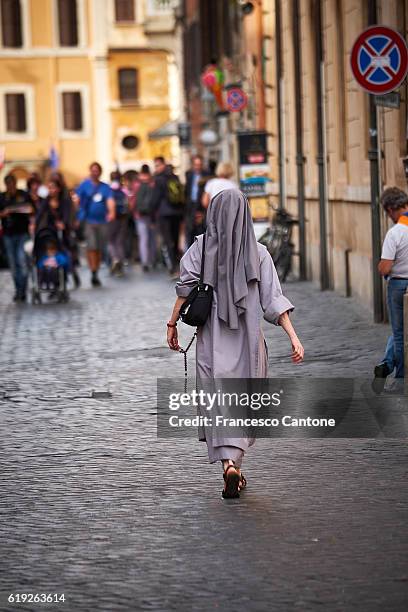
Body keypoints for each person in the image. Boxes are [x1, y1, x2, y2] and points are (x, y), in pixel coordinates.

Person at [166, 189, 304, 499]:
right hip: (248, 341)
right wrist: (294, 337)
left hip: (212, 341)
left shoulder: (199, 249)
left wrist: (172, 324)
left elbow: (184, 290)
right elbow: (274, 302)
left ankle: (229, 465)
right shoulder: (260, 253)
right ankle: (234, 466)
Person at [374, 187, 408, 383]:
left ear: (390, 209)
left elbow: (385, 267)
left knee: (398, 333)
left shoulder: (395, 233)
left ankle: (401, 378)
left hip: (398, 285)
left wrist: (380, 266)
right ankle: (386, 364)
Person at [76, 162, 115, 287]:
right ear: (90, 171)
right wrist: (76, 215)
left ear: (100, 172)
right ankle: (93, 271)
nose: (95, 172)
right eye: (93, 170)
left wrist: (111, 212)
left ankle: (96, 271)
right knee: (92, 246)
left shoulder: (105, 187)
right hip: (89, 220)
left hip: (102, 221)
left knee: (98, 248)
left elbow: (110, 200)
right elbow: (77, 200)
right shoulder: (84, 185)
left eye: (97, 170)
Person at [36, 178, 80, 288]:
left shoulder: (64, 201)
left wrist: (64, 223)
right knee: (51, 256)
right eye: (49, 188)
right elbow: (40, 214)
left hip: (63, 232)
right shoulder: (46, 201)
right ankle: (53, 282)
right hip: (52, 232)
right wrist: (34, 225)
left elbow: (67, 214)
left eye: (53, 187)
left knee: (64, 256)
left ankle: (67, 276)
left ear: (59, 189)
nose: (51, 190)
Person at [0, 174, 34, 302]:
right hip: (8, 234)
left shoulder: (23, 195)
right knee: (13, 265)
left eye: (12, 183)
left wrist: (16, 209)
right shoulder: (2, 197)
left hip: (22, 233)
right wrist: (5, 213)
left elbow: (31, 208)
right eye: (8, 184)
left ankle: (22, 290)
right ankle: (18, 289)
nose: (10, 186)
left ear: (15, 183)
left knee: (22, 261)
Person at [152, 156, 184, 275]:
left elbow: (155, 198)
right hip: (176, 212)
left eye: (157, 165)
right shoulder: (174, 176)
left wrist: (151, 212)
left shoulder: (158, 179)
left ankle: (173, 267)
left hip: (164, 213)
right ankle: (177, 264)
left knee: (168, 241)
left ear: (163, 165)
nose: (156, 168)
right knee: (175, 240)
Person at [134, 164, 156, 272]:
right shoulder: (153, 182)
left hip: (139, 215)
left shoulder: (137, 183)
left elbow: (133, 199)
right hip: (152, 215)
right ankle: (152, 260)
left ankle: (145, 262)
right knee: (152, 239)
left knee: (143, 239)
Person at [185, 155, 211, 247]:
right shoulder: (189, 174)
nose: (198, 167)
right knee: (190, 230)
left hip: (201, 205)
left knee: (200, 230)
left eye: (199, 165)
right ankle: (190, 252)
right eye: (196, 165)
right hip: (190, 205)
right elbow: (187, 190)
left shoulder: (206, 174)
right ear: (193, 165)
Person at [108, 171, 129, 277]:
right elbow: (128, 202)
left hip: (112, 218)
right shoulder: (123, 189)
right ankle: (120, 262)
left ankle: (115, 259)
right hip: (123, 218)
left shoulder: (109, 189)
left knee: (111, 241)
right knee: (120, 241)